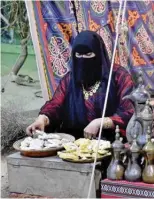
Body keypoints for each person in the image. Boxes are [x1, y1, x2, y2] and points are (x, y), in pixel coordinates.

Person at [26, 30, 134, 142]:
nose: (83, 59)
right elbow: (56, 104)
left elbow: (129, 111)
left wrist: (100, 123)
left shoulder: (118, 76)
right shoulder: (71, 79)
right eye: (79, 55)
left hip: (111, 142)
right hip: (74, 143)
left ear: (99, 54)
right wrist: (42, 119)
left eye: (88, 54)